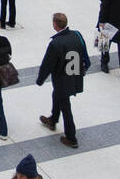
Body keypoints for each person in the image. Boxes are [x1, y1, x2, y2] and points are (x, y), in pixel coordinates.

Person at [37, 12, 90, 148]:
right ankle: (53, 119)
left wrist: (40, 79)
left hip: (62, 78)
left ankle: (71, 138)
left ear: (55, 24)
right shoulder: (76, 35)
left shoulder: (56, 43)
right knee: (57, 96)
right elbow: (84, 53)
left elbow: (47, 64)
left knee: (65, 106)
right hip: (75, 75)